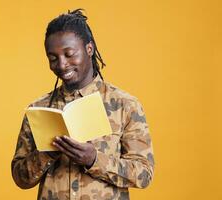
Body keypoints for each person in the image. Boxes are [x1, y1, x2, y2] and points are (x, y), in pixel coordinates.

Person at [11, 9, 154, 200]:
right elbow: (20, 178)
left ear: (89, 49)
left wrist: (94, 160)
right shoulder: (39, 109)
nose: (61, 65)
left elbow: (144, 174)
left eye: (69, 54)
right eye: (53, 58)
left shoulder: (125, 105)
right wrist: (46, 153)